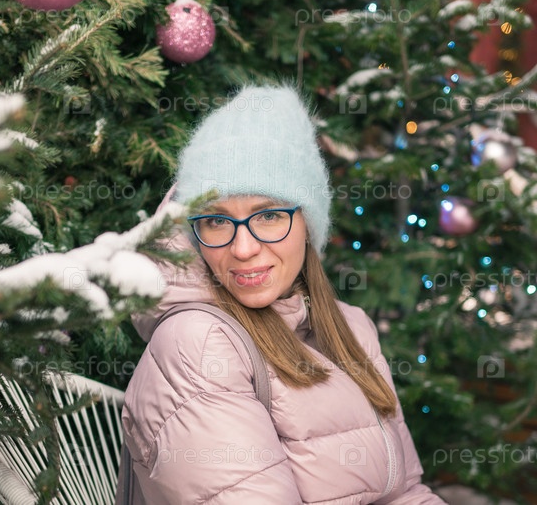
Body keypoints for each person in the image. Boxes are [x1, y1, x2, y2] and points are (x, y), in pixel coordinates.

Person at [120, 85, 446, 504]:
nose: (242, 249)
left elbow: (406, 493)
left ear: (308, 223)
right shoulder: (196, 345)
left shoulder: (352, 328)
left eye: (269, 215)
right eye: (216, 221)